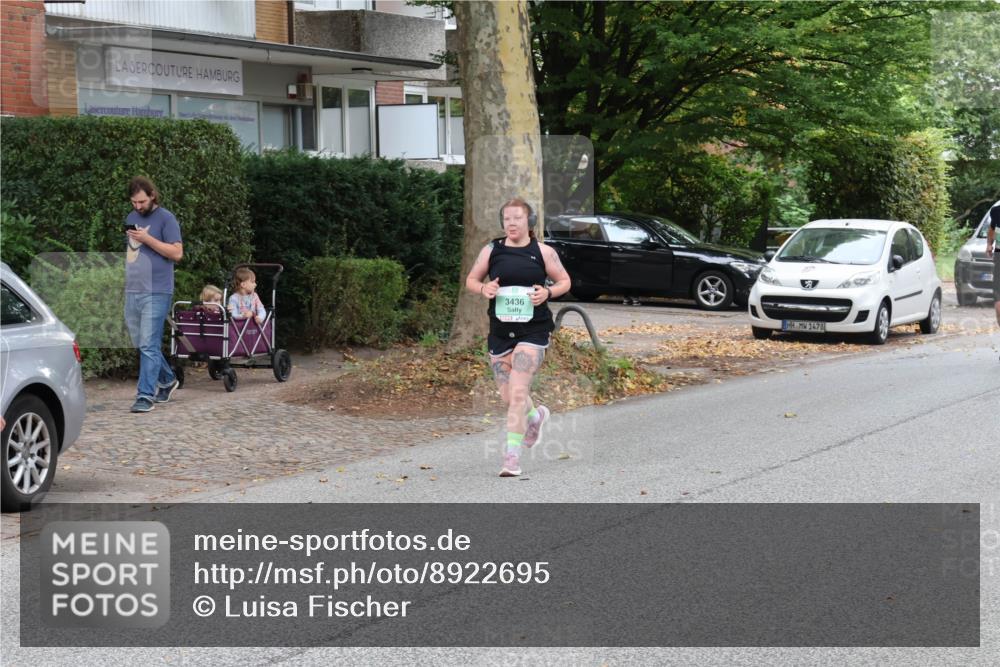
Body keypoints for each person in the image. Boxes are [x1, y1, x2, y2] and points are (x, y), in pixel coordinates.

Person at [465, 197, 572, 477]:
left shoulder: (543, 252)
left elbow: (565, 281)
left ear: (529, 221)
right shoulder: (492, 250)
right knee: (508, 396)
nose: (511, 223)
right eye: (507, 219)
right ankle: (535, 416)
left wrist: (547, 292)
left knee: (517, 393)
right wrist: (484, 289)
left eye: (517, 218)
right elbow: (471, 280)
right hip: (500, 333)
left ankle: (511, 458)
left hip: (533, 331)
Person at [124, 176, 183, 413]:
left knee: (149, 343)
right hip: (133, 288)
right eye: (134, 202)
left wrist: (147, 238)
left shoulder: (167, 218)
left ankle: (145, 396)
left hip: (157, 289)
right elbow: (131, 254)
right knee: (140, 342)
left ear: (152, 196)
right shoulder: (131, 218)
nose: (138, 206)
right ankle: (167, 380)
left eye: (141, 202)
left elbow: (177, 253)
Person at [986, 200, 1000, 335]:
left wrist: (989, 245)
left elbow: (991, 229)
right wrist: (989, 245)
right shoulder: (996, 211)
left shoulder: (996, 210)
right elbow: (992, 229)